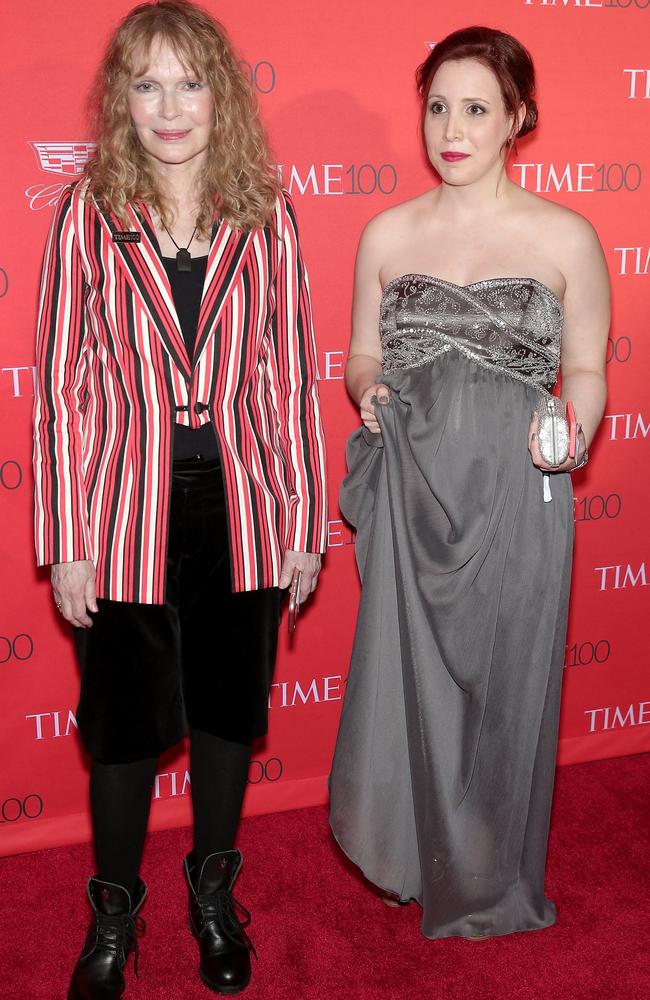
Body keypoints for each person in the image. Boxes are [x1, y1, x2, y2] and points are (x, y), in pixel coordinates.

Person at [33, 2, 327, 996]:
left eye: (189, 83)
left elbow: (287, 379)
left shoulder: (266, 209)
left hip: (239, 511)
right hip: (120, 510)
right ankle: (112, 912)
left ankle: (211, 897)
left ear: (221, 97)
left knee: (223, 717)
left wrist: (299, 522)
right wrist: (68, 539)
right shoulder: (88, 209)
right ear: (122, 98)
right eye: (147, 84)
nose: (169, 106)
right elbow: (62, 385)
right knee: (119, 730)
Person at [329, 25, 609, 941]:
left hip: (518, 498)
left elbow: (590, 374)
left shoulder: (566, 235)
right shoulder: (387, 231)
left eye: (476, 109)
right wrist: (368, 390)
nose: (452, 128)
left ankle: (489, 876)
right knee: (414, 686)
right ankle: (413, 856)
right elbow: (362, 353)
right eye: (439, 107)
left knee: (507, 691)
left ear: (518, 118)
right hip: (413, 496)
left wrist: (572, 434)